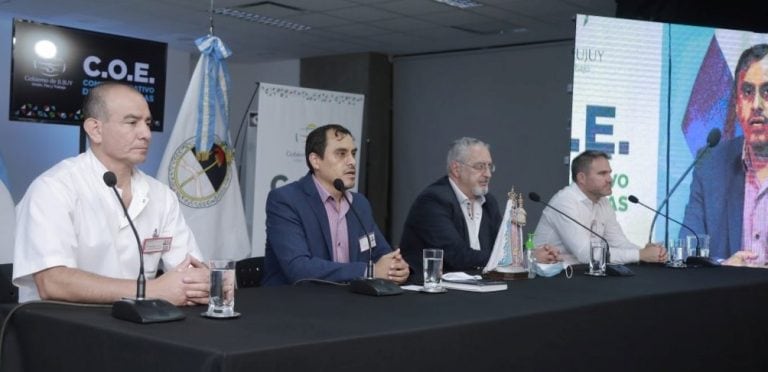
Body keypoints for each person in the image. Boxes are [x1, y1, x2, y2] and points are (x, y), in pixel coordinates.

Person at [13, 82, 209, 305]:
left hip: (140, 328)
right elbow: (53, 282)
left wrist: (206, 281)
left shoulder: (162, 195)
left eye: (147, 123)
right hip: (64, 330)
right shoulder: (53, 188)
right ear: (95, 129)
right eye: (132, 122)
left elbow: (191, 270)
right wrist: (150, 290)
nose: (146, 134)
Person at [262, 124, 409, 286]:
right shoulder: (286, 200)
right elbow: (299, 269)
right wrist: (369, 271)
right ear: (316, 161)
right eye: (341, 154)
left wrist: (396, 268)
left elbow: (382, 254)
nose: (352, 162)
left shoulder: (360, 204)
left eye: (353, 153)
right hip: (295, 304)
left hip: (350, 303)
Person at [400, 137, 560, 276]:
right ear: (456, 169)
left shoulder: (488, 202)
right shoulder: (433, 201)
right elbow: (456, 256)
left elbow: (502, 247)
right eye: (480, 167)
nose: (488, 174)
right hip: (434, 292)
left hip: (478, 286)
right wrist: (524, 259)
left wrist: (532, 253)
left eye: (490, 166)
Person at [682, 44, 768, 266]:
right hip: (730, 296)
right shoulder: (710, 164)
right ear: (738, 105)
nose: (757, 105)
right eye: (747, 92)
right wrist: (723, 267)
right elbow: (688, 250)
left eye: (767, 91)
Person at [534, 150, 667, 265]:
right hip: (551, 276)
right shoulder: (565, 201)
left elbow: (618, 243)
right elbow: (586, 254)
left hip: (584, 274)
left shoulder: (603, 202)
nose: (609, 179)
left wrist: (648, 253)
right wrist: (640, 255)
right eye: (602, 174)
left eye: (609, 173)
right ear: (582, 178)